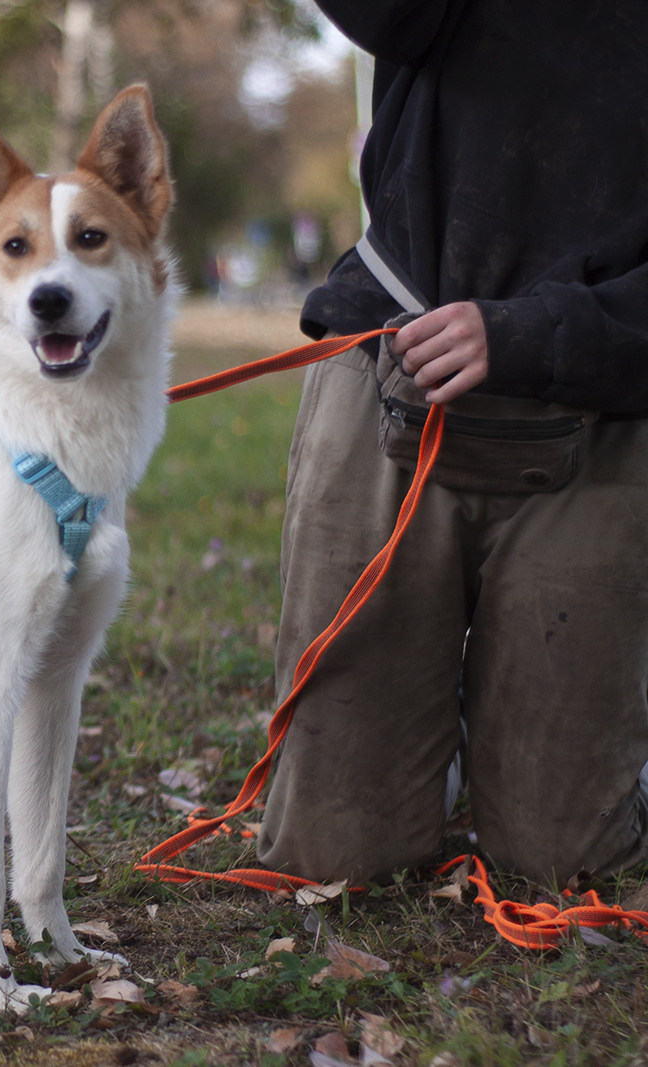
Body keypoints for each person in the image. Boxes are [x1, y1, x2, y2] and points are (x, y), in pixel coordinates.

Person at [257, 0, 648, 886]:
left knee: (562, 869)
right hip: (393, 373)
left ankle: (572, 741)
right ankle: (430, 742)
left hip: (605, 403)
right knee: (335, 858)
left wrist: (532, 335)